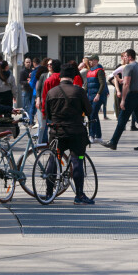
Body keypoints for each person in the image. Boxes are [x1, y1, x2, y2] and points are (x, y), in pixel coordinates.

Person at [45, 64, 94, 204]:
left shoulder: (52, 92)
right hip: (76, 132)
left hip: (57, 132)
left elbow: (48, 114)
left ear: (60, 76)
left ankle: (49, 194)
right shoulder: (79, 92)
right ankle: (79, 195)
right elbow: (89, 110)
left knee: (53, 159)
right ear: (73, 77)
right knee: (77, 159)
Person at [101, 49, 138, 151]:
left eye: (125, 56)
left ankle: (113, 142)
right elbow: (135, 81)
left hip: (131, 96)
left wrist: (123, 100)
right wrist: (122, 80)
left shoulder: (128, 67)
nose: (124, 58)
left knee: (122, 119)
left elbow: (126, 84)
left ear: (130, 57)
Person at [85, 54, 107, 144]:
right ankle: (98, 136)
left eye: (91, 60)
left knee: (93, 114)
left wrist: (98, 94)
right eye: (89, 60)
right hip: (90, 96)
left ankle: (91, 135)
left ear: (96, 61)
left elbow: (102, 84)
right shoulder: (90, 71)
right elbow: (87, 85)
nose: (89, 62)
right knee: (93, 116)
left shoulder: (99, 70)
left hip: (98, 97)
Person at [41, 60, 62, 144]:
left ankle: (53, 147)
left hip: (52, 109)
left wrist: (43, 112)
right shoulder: (63, 79)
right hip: (63, 108)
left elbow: (45, 97)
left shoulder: (48, 81)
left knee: (52, 130)